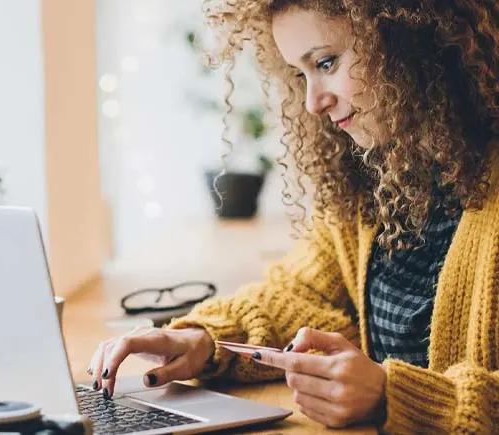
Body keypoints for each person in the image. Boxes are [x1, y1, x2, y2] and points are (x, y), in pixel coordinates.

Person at [88, 1, 499, 433]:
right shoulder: (385, 180)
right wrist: (203, 340)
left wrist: (396, 397)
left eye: (326, 62)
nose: (312, 102)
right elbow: (304, 294)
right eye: (301, 74)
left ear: (410, 39)